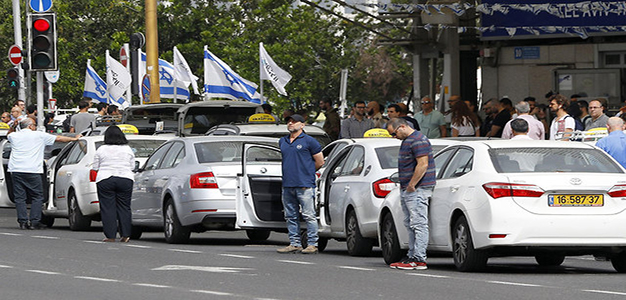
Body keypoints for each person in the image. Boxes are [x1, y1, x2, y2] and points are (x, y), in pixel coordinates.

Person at [8, 118, 80, 230]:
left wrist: (13, 126)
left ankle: (22, 221)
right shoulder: (39, 135)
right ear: (31, 126)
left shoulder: (14, 136)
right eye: (35, 124)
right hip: (33, 169)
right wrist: (74, 138)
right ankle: (34, 221)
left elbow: (9, 134)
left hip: (16, 169)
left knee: (20, 197)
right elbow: (59, 138)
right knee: (37, 196)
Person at [386, 117, 435, 270]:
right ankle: (412, 255)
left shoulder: (418, 140)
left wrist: (412, 185)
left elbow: (423, 164)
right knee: (410, 223)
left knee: (418, 223)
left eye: (394, 134)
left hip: (417, 189)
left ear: (401, 127)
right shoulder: (410, 140)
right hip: (409, 188)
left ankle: (419, 258)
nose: (394, 137)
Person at [277, 114, 324, 254]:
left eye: (294, 121)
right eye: (289, 121)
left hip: (304, 184)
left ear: (302, 125)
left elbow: (320, 162)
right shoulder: (283, 141)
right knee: (290, 215)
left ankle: (312, 244)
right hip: (287, 184)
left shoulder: (310, 141)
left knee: (308, 215)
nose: (290, 123)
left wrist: (307, 173)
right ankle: (294, 243)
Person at [92, 126, 136, 242]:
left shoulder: (101, 149)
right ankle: (125, 234)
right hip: (125, 178)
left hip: (105, 178)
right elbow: (132, 166)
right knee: (124, 207)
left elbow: (95, 167)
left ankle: (110, 236)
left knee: (108, 208)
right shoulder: (127, 149)